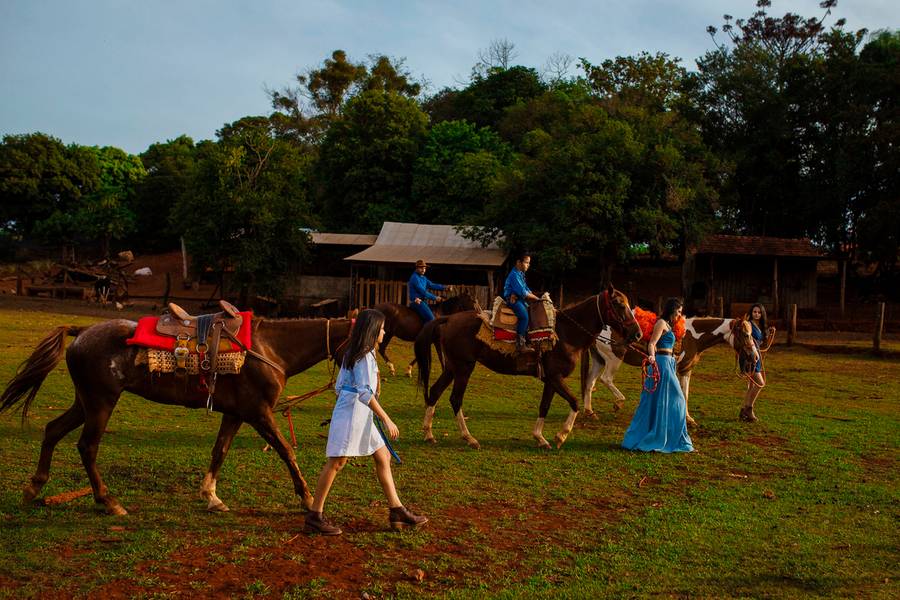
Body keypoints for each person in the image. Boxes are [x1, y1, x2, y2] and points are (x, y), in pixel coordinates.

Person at [304, 309, 428, 535]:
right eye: (381, 328)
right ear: (372, 330)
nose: (384, 331)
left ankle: (396, 510)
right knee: (337, 462)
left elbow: (339, 386)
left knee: (383, 456)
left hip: (359, 414)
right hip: (352, 414)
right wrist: (386, 418)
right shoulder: (362, 355)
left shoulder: (360, 352)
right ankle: (314, 515)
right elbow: (364, 394)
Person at [622, 298, 694, 453]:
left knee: (670, 399)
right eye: (679, 311)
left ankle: (668, 435)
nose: (680, 315)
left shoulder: (669, 325)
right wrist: (652, 357)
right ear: (672, 310)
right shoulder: (661, 323)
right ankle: (657, 435)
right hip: (661, 363)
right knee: (678, 400)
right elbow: (652, 343)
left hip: (669, 362)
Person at [740, 303, 775, 423]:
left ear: (762, 314)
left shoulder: (760, 326)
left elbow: (763, 345)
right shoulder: (748, 325)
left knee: (751, 386)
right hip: (750, 357)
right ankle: (749, 409)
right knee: (760, 383)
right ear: (751, 313)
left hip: (757, 356)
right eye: (754, 312)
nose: (756, 314)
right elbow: (747, 341)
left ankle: (743, 409)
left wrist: (770, 335)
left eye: (759, 312)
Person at [503, 252, 541, 351]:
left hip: (519, 298)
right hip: (513, 300)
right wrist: (536, 298)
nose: (528, 265)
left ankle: (528, 338)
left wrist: (534, 295)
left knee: (531, 311)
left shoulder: (520, 274)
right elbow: (523, 292)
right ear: (519, 262)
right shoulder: (514, 275)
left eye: (529, 263)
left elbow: (526, 288)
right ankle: (520, 344)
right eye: (526, 262)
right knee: (524, 316)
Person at [408, 259, 451, 323]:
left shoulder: (424, 278)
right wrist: (435, 298)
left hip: (423, 302)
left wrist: (444, 288)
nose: (423, 270)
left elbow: (432, 285)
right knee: (432, 320)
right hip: (417, 302)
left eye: (424, 268)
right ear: (416, 268)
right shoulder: (415, 278)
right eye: (421, 268)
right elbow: (422, 292)